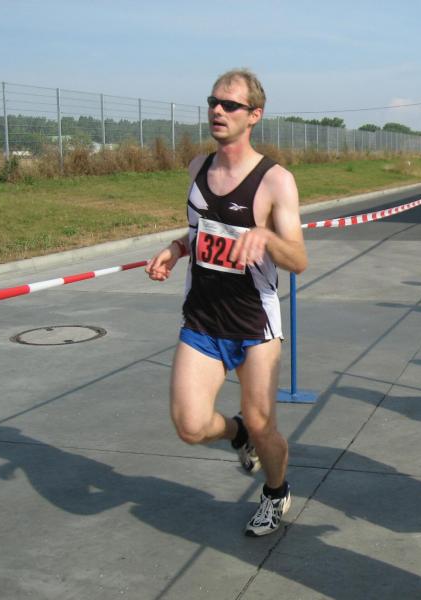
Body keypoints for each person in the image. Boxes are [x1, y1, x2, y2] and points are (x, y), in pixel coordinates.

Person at [145, 68, 308, 537]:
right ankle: (237, 434)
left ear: (254, 115)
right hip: (202, 318)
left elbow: (299, 260)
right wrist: (176, 249)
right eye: (213, 102)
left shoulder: (275, 181)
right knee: (191, 426)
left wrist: (266, 238)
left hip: (254, 323)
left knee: (264, 423)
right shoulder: (198, 168)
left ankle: (275, 491)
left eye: (230, 104)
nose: (218, 110)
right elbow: (198, 233)